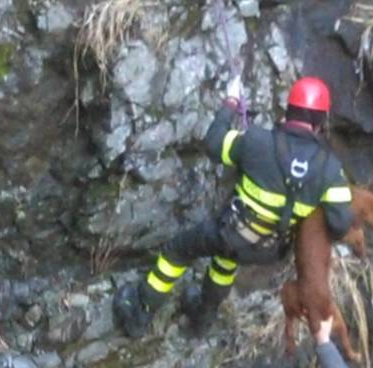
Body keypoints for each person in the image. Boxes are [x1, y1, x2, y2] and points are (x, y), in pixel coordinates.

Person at [113, 76, 354, 345]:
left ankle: (141, 310)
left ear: (288, 111)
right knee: (226, 260)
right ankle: (201, 318)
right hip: (269, 250)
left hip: (231, 233)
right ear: (320, 122)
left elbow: (213, 143)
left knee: (177, 251)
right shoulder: (332, 170)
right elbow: (340, 223)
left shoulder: (256, 141)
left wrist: (230, 103)